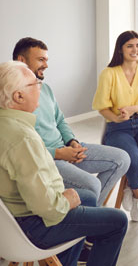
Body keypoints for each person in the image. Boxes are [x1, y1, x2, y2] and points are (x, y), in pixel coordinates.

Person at [0, 61, 128, 266]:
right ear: (18, 96)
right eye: (35, 85)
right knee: (118, 221)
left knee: (85, 196)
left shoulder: (8, 125)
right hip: (32, 226)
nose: (40, 87)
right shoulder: (23, 139)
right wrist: (67, 200)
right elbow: (48, 209)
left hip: (12, 221)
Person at [12, 37, 130, 207]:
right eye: (40, 59)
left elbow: (60, 120)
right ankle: (90, 219)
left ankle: (92, 213)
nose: (46, 64)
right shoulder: (13, 97)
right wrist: (59, 153)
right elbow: (24, 148)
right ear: (21, 61)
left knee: (122, 159)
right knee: (92, 185)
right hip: (46, 159)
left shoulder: (44, 88)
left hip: (65, 148)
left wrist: (72, 142)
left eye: (46, 59)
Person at [92, 30, 138, 221]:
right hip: (118, 127)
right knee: (132, 158)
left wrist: (134, 108)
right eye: (130, 46)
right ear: (121, 49)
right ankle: (137, 194)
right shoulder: (109, 73)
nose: (135, 50)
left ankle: (132, 184)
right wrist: (116, 118)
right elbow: (101, 106)